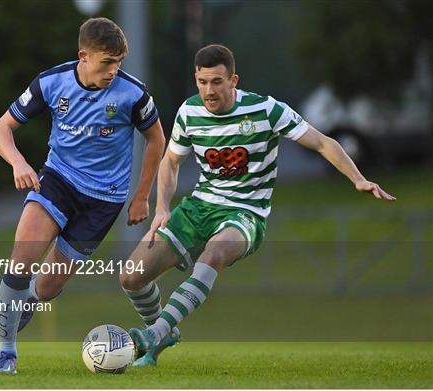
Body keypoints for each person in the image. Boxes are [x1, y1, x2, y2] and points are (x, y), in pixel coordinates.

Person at [120, 44, 396, 366]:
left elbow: (322, 142)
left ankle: (154, 334)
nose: (209, 91)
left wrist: (357, 178)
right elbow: (171, 162)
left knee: (215, 253)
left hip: (246, 212)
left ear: (233, 80)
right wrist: (163, 208)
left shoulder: (266, 110)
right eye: (202, 82)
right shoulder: (189, 112)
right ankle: (162, 331)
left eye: (217, 82)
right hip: (199, 208)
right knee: (131, 277)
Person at [0, 17, 165, 374]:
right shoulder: (51, 82)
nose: (113, 71)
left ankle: (33, 299)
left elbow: (156, 140)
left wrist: (142, 195)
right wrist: (19, 163)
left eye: (119, 63)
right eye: (106, 63)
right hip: (57, 181)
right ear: (83, 55)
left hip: (104, 200)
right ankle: (6, 353)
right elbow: (0, 129)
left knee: (51, 284)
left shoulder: (133, 94)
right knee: (20, 262)